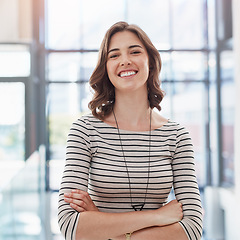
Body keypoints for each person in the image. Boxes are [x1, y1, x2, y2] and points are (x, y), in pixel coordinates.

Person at [58, 21, 203, 240]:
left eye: (134, 51)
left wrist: (101, 224)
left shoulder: (177, 136)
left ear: (151, 62)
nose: (125, 61)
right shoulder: (85, 130)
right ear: (106, 68)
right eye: (113, 55)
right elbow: (70, 226)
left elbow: (192, 229)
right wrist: (157, 216)